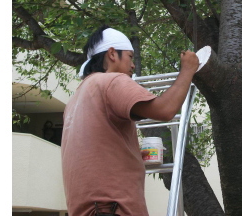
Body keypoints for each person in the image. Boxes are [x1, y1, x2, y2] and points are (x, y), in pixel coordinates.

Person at [62, 26, 199, 216]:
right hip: (111, 209)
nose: (133, 65)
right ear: (112, 54)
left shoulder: (77, 97)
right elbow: (165, 110)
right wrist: (188, 69)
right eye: (130, 56)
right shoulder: (111, 81)